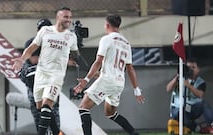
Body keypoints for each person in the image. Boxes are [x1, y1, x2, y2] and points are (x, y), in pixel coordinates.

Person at [73, 14, 145, 135]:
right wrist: (136, 90)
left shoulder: (106, 39)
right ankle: (134, 133)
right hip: (119, 83)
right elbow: (130, 68)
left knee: (83, 107)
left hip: (107, 81)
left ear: (107, 25)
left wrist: (86, 79)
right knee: (110, 113)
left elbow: (98, 62)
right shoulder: (126, 43)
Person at [13, 7, 78, 135]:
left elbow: (71, 55)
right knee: (41, 111)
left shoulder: (64, 37)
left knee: (49, 108)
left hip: (53, 77)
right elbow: (32, 57)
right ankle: (56, 132)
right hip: (37, 78)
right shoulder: (35, 40)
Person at [19, 18, 61, 133]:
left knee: (54, 117)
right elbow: (33, 61)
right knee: (39, 119)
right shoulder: (32, 43)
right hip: (35, 85)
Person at [166, 58, 213, 131]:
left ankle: (211, 125)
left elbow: (200, 94)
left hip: (192, 108)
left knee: (204, 104)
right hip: (178, 109)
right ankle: (198, 128)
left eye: (193, 67)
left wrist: (189, 85)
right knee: (182, 116)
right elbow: (168, 89)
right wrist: (178, 76)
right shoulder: (179, 78)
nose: (191, 70)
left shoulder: (201, 82)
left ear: (198, 69)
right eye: (188, 68)